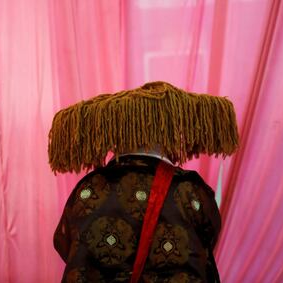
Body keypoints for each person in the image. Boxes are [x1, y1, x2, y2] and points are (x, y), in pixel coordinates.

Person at [48, 81, 239, 282]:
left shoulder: (88, 188)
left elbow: (66, 244)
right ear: (169, 134)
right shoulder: (189, 190)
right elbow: (208, 241)